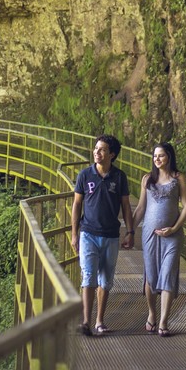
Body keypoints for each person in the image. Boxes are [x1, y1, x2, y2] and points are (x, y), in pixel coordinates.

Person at [70, 134, 134, 336]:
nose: (97, 152)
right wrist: (74, 234)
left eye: (102, 149)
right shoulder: (85, 175)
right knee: (88, 277)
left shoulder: (119, 177)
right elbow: (77, 204)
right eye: (96, 149)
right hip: (88, 232)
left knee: (106, 280)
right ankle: (86, 321)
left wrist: (130, 232)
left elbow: (125, 205)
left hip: (111, 235)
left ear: (112, 154)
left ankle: (100, 320)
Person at [132, 141, 186, 336]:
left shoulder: (178, 177)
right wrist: (130, 231)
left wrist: (174, 228)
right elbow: (140, 208)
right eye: (155, 156)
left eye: (161, 155)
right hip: (149, 233)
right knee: (151, 275)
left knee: (167, 274)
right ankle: (151, 313)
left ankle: (163, 322)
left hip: (172, 235)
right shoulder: (147, 179)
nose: (157, 159)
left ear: (169, 157)